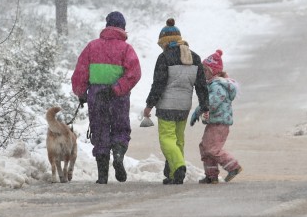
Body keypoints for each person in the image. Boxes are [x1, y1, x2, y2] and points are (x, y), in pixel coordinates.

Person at [71, 11, 142, 184]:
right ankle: (118, 155)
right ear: (123, 28)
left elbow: (81, 72)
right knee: (120, 129)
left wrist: (81, 93)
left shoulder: (92, 47)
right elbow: (134, 73)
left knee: (100, 132)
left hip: (97, 96)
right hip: (119, 97)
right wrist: (117, 88)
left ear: (107, 26)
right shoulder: (126, 49)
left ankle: (102, 176)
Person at [143, 18, 209, 184]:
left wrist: (149, 105)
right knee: (179, 139)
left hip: (167, 106)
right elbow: (201, 85)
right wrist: (204, 105)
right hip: (183, 107)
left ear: (165, 42)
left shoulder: (164, 57)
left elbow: (158, 84)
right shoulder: (194, 57)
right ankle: (173, 175)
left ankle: (179, 166)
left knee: (166, 139)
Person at [192, 49, 242, 184]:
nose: (203, 73)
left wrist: (198, 110)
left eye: (206, 70)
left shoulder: (218, 86)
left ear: (214, 71)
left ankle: (233, 166)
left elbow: (212, 102)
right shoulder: (213, 84)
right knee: (205, 147)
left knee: (212, 149)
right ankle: (211, 175)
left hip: (220, 123)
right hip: (214, 122)